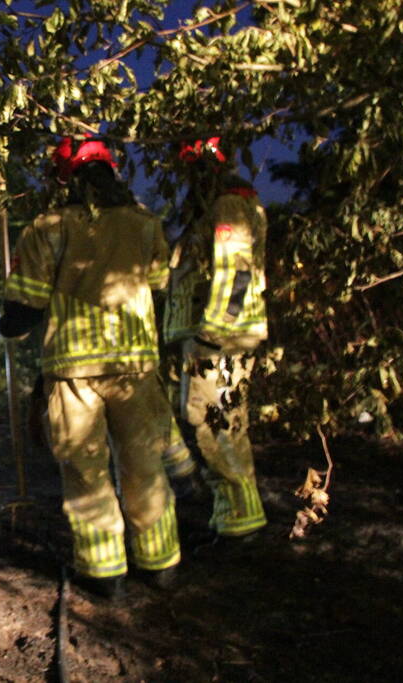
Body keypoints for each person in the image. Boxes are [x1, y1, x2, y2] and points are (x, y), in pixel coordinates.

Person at [0, 137, 180, 599]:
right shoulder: (144, 223)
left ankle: (104, 575)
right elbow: (159, 282)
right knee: (144, 466)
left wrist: (9, 326)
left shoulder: (49, 226)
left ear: (65, 178)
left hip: (73, 373)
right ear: (112, 172)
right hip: (136, 367)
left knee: (85, 473)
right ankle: (160, 565)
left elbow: (26, 304)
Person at [161, 136, 269, 539]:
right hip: (210, 335)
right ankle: (234, 518)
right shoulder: (216, 208)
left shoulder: (227, 206)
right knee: (212, 423)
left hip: (221, 339)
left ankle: (240, 526)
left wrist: (214, 333)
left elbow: (236, 272)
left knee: (218, 427)